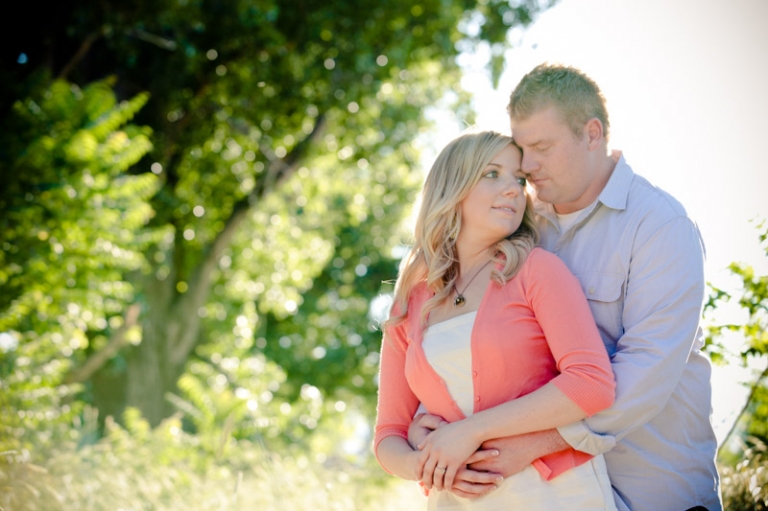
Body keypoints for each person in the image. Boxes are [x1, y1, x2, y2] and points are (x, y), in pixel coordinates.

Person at [410, 64, 723, 510]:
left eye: (542, 147)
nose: (528, 166)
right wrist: (430, 416)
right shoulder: (520, 223)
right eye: (523, 149)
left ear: (592, 134)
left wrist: (536, 444)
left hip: (653, 489)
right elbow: (483, 343)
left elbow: (646, 372)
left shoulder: (659, 226)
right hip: (551, 495)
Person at [374, 129, 618, 509]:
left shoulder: (537, 271)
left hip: (555, 494)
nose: (513, 190)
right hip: (455, 500)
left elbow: (592, 385)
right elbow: (388, 434)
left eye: (519, 180)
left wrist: (470, 432)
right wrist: (422, 463)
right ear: (453, 187)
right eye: (492, 174)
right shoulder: (409, 302)